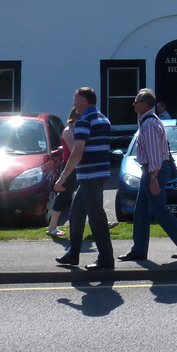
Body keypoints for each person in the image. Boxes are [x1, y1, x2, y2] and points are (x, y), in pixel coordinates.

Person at [118, 88, 177, 263]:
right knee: (141, 211)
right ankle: (139, 250)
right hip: (153, 170)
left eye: (136, 101)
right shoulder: (148, 122)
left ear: (145, 104)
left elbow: (154, 154)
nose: (133, 104)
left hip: (155, 170)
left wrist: (153, 177)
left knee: (158, 209)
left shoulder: (149, 124)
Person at [53, 87, 114, 271]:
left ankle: (106, 258)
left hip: (89, 175)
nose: (73, 102)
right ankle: (73, 253)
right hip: (100, 173)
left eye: (75, 99)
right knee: (76, 213)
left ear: (84, 101)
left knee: (96, 217)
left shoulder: (84, 121)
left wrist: (62, 177)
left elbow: (77, 152)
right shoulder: (103, 118)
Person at [45, 107, 79, 237]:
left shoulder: (77, 130)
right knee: (65, 194)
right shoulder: (68, 131)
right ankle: (52, 226)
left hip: (78, 165)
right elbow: (74, 150)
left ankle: (99, 221)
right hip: (69, 165)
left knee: (86, 193)